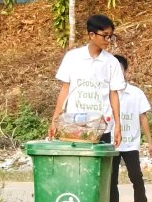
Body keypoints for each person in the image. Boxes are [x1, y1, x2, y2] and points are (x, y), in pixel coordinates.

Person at [49, 14, 125, 147]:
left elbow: (114, 94)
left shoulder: (111, 62)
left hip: (101, 126)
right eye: (105, 35)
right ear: (92, 35)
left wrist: (118, 125)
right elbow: (65, 89)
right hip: (73, 125)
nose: (108, 40)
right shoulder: (72, 57)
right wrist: (55, 120)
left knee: (100, 166)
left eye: (110, 36)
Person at [109, 55, 152, 202]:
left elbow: (143, 117)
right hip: (112, 144)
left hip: (130, 142)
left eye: (119, 69)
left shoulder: (136, 93)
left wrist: (149, 142)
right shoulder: (106, 93)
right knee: (111, 179)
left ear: (125, 70)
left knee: (136, 176)